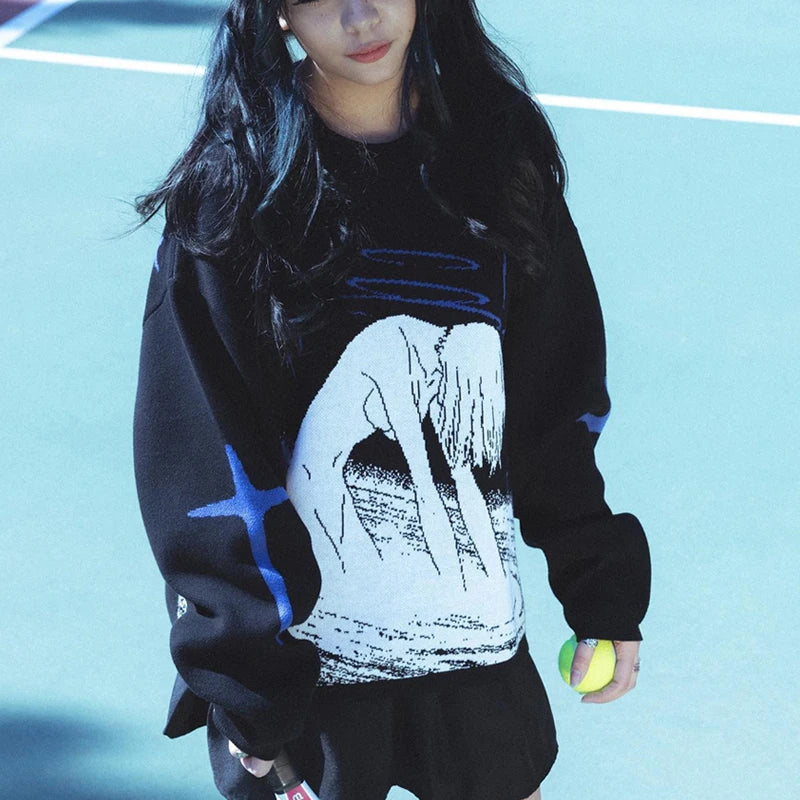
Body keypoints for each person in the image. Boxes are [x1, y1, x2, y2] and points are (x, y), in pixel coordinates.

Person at [131, 1, 651, 798]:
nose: (360, 14)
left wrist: (599, 585)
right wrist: (246, 676)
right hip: (306, 688)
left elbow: (551, 405)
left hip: (478, 664)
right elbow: (205, 453)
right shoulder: (235, 192)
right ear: (277, 15)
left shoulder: (496, 156)